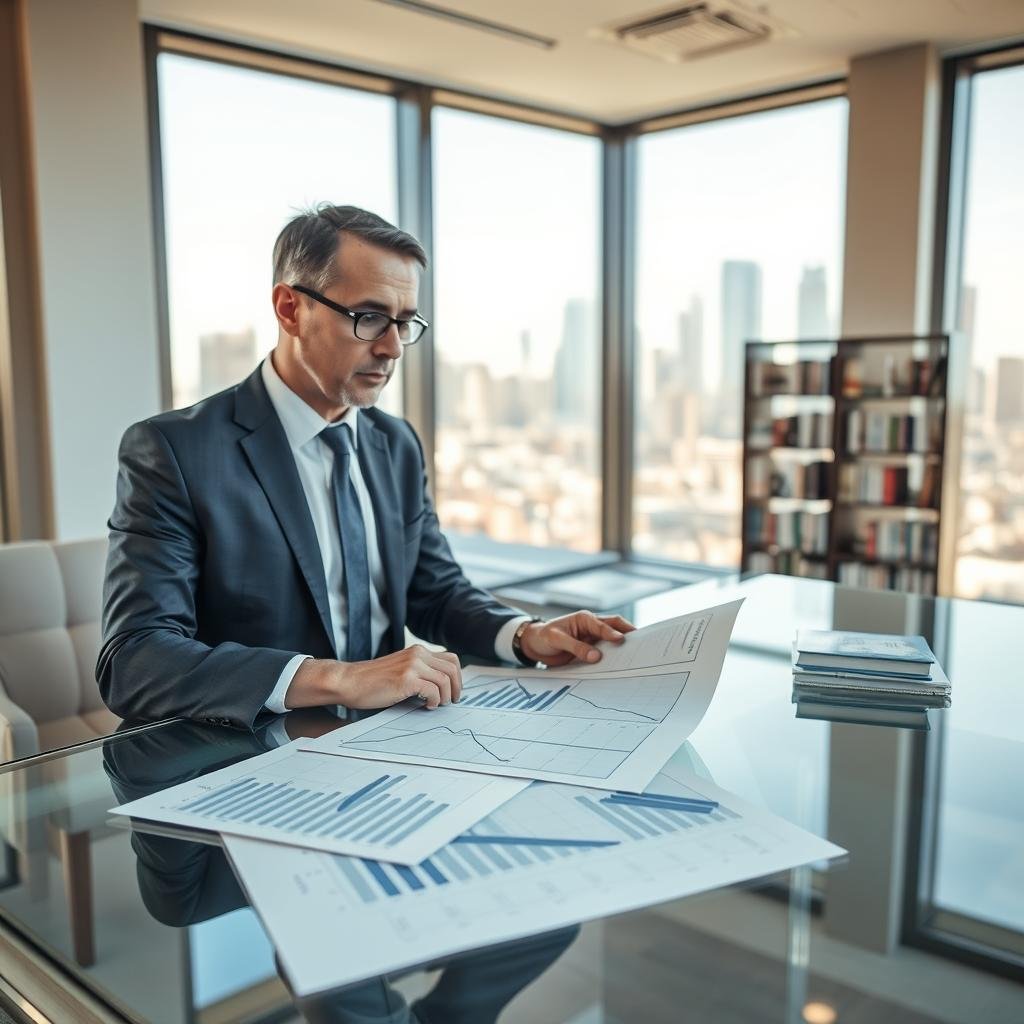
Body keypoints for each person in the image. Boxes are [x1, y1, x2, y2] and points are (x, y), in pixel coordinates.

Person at [98, 204, 634, 728]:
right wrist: (340, 678)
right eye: (370, 317)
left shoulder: (394, 443)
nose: (394, 348)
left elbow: (436, 591)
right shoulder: (175, 451)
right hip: (245, 756)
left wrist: (524, 634)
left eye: (404, 322)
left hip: (387, 744)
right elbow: (134, 661)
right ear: (289, 309)